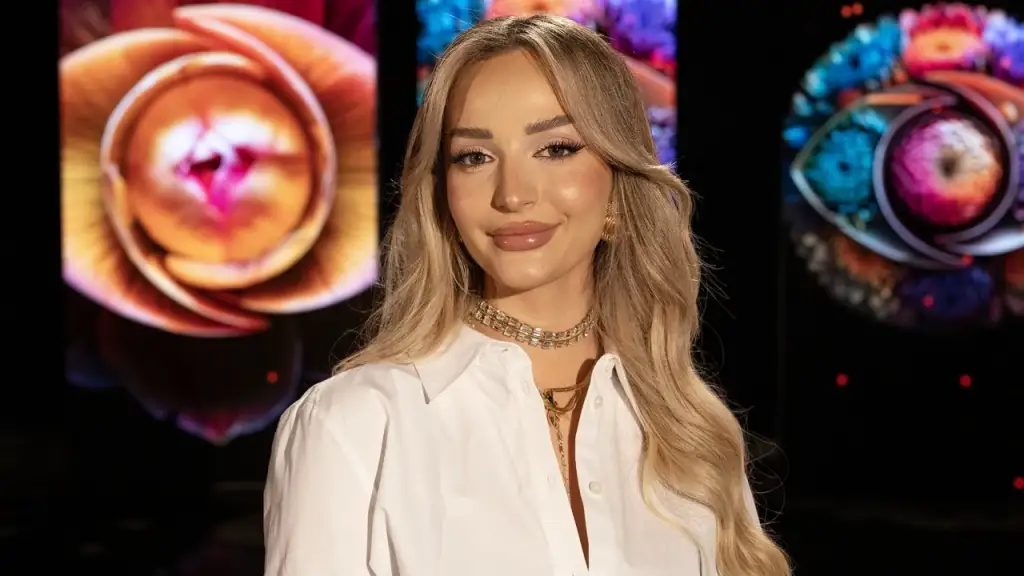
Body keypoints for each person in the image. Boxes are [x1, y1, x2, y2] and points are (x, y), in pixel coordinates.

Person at [263, 14, 790, 576]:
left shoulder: (689, 432)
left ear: (618, 182)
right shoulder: (356, 425)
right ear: (443, 196)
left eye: (556, 148)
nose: (512, 195)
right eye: (474, 157)